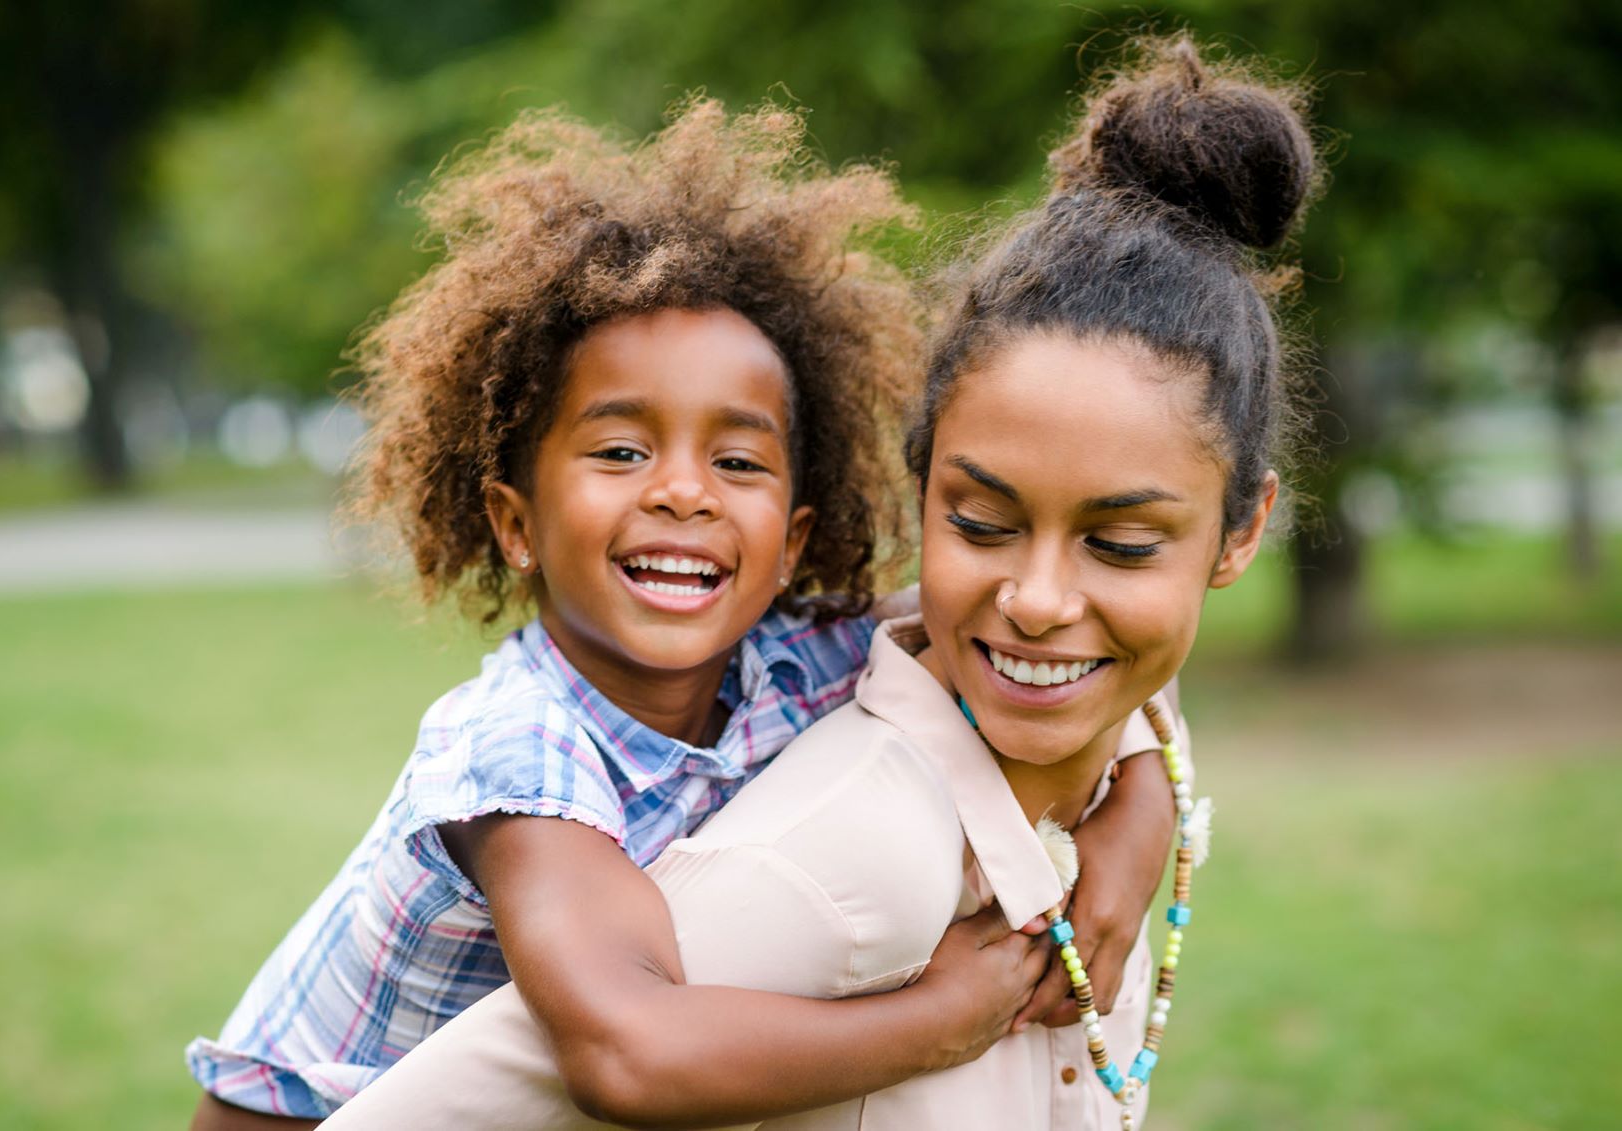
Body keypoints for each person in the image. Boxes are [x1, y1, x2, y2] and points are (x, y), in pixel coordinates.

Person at [318, 32, 1317, 1130]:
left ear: (796, 543)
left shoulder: (797, 653)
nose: (684, 494)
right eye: (620, 452)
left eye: (738, 461)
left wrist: (1143, 808)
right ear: (512, 520)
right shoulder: (520, 755)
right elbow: (626, 1055)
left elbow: (1061, 652)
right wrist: (938, 1022)